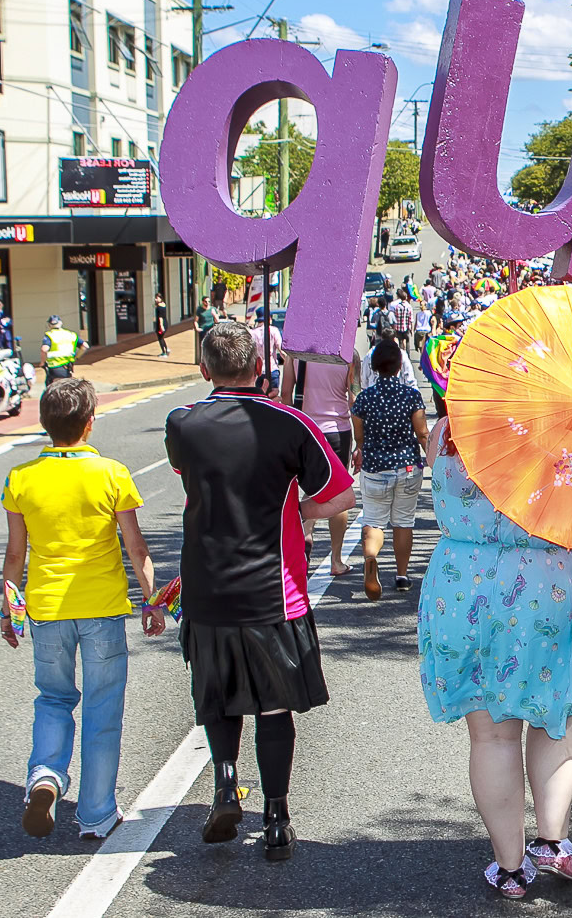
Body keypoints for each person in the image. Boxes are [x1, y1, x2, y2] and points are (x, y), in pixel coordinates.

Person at [418, 415, 572, 897]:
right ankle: (551, 840)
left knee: (491, 735)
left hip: (460, 583)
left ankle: (510, 867)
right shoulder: (565, 432)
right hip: (546, 581)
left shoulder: (446, 430)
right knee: (555, 716)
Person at [164, 323, 356, 862]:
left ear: (205, 371)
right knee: (274, 708)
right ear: (259, 367)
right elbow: (339, 495)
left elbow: (187, 474)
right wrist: (295, 509)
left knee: (216, 697)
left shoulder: (182, 424)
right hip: (274, 590)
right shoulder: (290, 423)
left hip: (206, 588)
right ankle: (275, 816)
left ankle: (225, 787)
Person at [1, 378, 163, 840]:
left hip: (47, 609)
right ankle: (95, 814)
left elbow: (16, 556)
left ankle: (46, 776)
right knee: (102, 708)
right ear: (90, 423)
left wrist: (10, 612)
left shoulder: (21, 479)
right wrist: (151, 601)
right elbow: (135, 546)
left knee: (53, 698)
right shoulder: (112, 473)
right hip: (103, 608)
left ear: (45, 425)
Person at [351, 340, 428, 600]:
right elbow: (422, 433)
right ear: (398, 366)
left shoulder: (364, 398)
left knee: (373, 520)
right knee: (404, 522)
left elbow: (359, 436)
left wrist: (362, 448)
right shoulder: (411, 395)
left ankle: (371, 558)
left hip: (375, 468)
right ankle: (402, 575)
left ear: (373, 367)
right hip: (406, 467)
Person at [282, 356, 361, 576]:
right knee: (338, 491)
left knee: (306, 488)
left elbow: (286, 394)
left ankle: (305, 535)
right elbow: (355, 399)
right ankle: (336, 560)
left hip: (302, 428)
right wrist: (360, 442)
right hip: (337, 430)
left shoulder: (295, 353)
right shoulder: (347, 353)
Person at [360, 327, 420, 391]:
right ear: (394, 339)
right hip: (397, 393)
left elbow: (364, 378)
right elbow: (409, 378)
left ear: (381, 338)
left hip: (374, 392)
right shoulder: (401, 354)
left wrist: (366, 391)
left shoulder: (370, 354)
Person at [40, 315, 85, 386]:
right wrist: (76, 357)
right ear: (60, 323)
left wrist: (42, 362)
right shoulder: (71, 334)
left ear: (49, 325)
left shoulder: (49, 335)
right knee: (67, 388)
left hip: (55, 367)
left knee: (54, 389)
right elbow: (85, 346)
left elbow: (44, 349)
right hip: (68, 366)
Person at [250, 308, 284, 397]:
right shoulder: (273, 330)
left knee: (259, 397)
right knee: (274, 396)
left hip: (258, 371)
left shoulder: (252, 333)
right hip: (272, 369)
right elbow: (281, 350)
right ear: (269, 318)